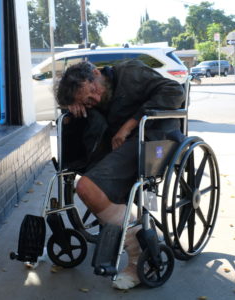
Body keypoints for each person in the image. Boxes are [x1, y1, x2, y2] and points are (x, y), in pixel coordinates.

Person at [56, 59, 185, 289]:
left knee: (87, 187)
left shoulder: (131, 72)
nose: (94, 99)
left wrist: (129, 124)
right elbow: (88, 114)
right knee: (87, 187)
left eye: (93, 91)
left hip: (153, 138)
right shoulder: (91, 98)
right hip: (118, 145)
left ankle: (138, 259)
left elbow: (174, 91)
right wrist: (72, 108)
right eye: (87, 100)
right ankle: (134, 234)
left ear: (96, 73)